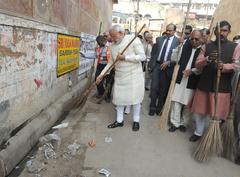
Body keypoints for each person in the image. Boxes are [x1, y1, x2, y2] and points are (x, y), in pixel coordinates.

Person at [189, 20, 240, 142]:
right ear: (215, 31)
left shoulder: (235, 47)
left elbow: (237, 66)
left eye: (224, 30)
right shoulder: (206, 45)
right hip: (205, 83)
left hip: (222, 86)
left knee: (216, 114)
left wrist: (224, 66)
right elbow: (197, 64)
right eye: (219, 30)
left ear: (228, 32)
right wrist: (207, 59)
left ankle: (212, 135)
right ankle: (198, 132)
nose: (221, 33)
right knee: (200, 112)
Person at [96, 25, 145, 131]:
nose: (112, 39)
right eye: (111, 37)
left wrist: (125, 57)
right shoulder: (112, 46)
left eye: (114, 36)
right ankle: (119, 121)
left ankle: (136, 121)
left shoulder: (133, 40)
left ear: (122, 33)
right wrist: (101, 75)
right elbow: (110, 63)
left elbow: (142, 57)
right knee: (119, 100)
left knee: (136, 100)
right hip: (120, 77)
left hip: (134, 76)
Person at [169, 29, 202, 132]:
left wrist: (192, 71)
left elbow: (203, 67)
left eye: (197, 39)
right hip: (180, 78)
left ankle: (184, 123)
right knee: (176, 101)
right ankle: (175, 123)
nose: (194, 41)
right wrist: (179, 46)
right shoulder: (185, 45)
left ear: (201, 39)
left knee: (187, 104)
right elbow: (174, 58)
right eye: (192, 38)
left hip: (192, 80)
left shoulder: (204, 50)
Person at [149, 23, 179, 116]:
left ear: (174, 31)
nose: (168, 32)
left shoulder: (178, 42)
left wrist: (169, 62)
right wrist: (152, 65)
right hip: (157, 66)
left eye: (170, 31)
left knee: (163, 89)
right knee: (154, 88)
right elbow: (153, 53)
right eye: (167, 30)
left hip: (168, 68)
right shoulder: (159, 39)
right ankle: (152, 107)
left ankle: (159, 108)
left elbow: (178, 57)